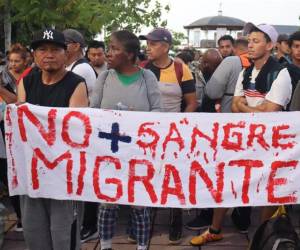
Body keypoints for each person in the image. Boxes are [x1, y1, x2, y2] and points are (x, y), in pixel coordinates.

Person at [190, 23, 292, 247]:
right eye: (249, 41)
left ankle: (260, 238)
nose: (250, 46)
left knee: (268, 189)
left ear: (271, 45)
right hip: (244, 138)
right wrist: (252, 107)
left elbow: (268, 113)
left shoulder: (280, 74)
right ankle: (215, 229)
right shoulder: (246, 72)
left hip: (270, 142)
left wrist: (245, 106)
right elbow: (235, 106)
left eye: (256, 41)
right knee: (228, 180)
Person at [17, 28, 89, 250]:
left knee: (63, 234)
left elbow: (76, 131)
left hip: (64, 175)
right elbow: (21, 125)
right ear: (34, 55)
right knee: (34, 231)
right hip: (32, 172)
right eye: (42, 49)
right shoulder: (27, 82)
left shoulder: (76, 83)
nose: (49, 54)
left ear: (66, 54)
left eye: (55, 50)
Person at [90, 30, 161, 250]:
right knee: (107, 204)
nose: (108, 53)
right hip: (109, 154)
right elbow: (93, 111)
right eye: (109, 48)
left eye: (114, 48)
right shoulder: (104, 77)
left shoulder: (147, 77)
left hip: (138, 153)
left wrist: (135, 119)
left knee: (139, 204)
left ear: (130, 55)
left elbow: (158, 111)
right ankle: (106, 245)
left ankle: (141, 246)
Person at [139, 27, 197, 244]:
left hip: (174, 134)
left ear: (165, 46)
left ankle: (175, 221)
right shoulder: (142, 69)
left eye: (153, 44)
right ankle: (146, 220)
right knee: (148, 175)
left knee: (175, 175)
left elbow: (192, 102)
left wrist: (179, 124)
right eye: (148, 43)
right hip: (148, 134)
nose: (148, 47)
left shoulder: (182, 69)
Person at [0, 43, 28, 232]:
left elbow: (19, 102)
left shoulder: (32, 77)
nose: (13, 65)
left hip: (26, 129)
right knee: (9, 173)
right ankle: (19, 216)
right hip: (6, 128)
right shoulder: (4, 76)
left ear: (26, 61)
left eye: (17, 61)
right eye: (10, 61)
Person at [63, 28, 96, 102]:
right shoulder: (72, 66)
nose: (60, 47)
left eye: (64, 44)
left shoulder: (81, 68)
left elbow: (61, 95)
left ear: (76, 47)